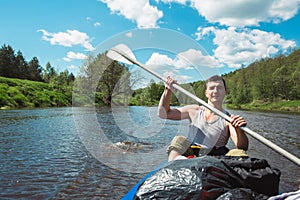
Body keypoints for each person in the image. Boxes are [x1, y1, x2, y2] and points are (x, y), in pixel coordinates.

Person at [158, 75, 249, 161]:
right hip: (192, 154)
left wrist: (239, 130)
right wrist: (168, 90)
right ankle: (176, 164)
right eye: (211, 88)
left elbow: (242, 147)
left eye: (220, 88)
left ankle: (220, 172)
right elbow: (163, 114)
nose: (216, 91)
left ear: (225, 92)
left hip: (216, 158)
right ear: (206, 93)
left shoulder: (229, 119)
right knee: (178, 140)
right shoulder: (194, 110)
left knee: (239, 153)